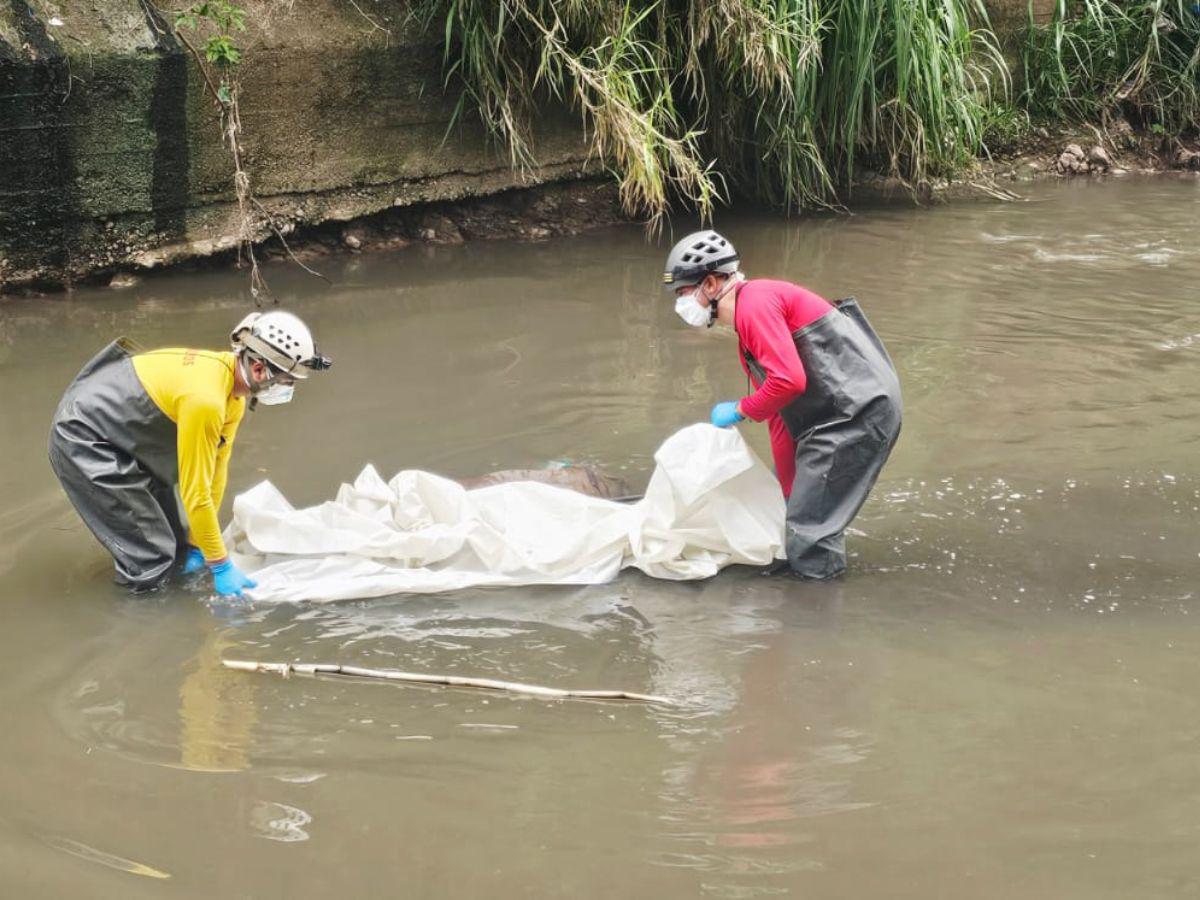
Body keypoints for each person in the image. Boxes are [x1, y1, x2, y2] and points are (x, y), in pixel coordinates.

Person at [663, 230, 902, 579]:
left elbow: (789, 381)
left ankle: (812, 617)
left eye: (684, 292)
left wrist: (741, 409)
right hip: (833, 415)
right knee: (792, 514)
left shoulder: (756, 304)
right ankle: (803, 582)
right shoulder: (747, 327)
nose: (680, 303)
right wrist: (786, 490)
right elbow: (780, 416)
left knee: (809, 530)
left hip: (857, 413)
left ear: (711, 284)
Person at [48, 310, 331, 596]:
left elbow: (215, 474)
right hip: (86, 435)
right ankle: (143, 622)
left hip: (123, 428)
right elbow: (196, 494)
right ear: (259, 370)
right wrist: (220, 564)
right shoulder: (206, 401)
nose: (288, 389)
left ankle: (172, 567)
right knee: (153, 559)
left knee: (175, 540)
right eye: (287, 381)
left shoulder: (233, 396)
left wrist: (198, 545)